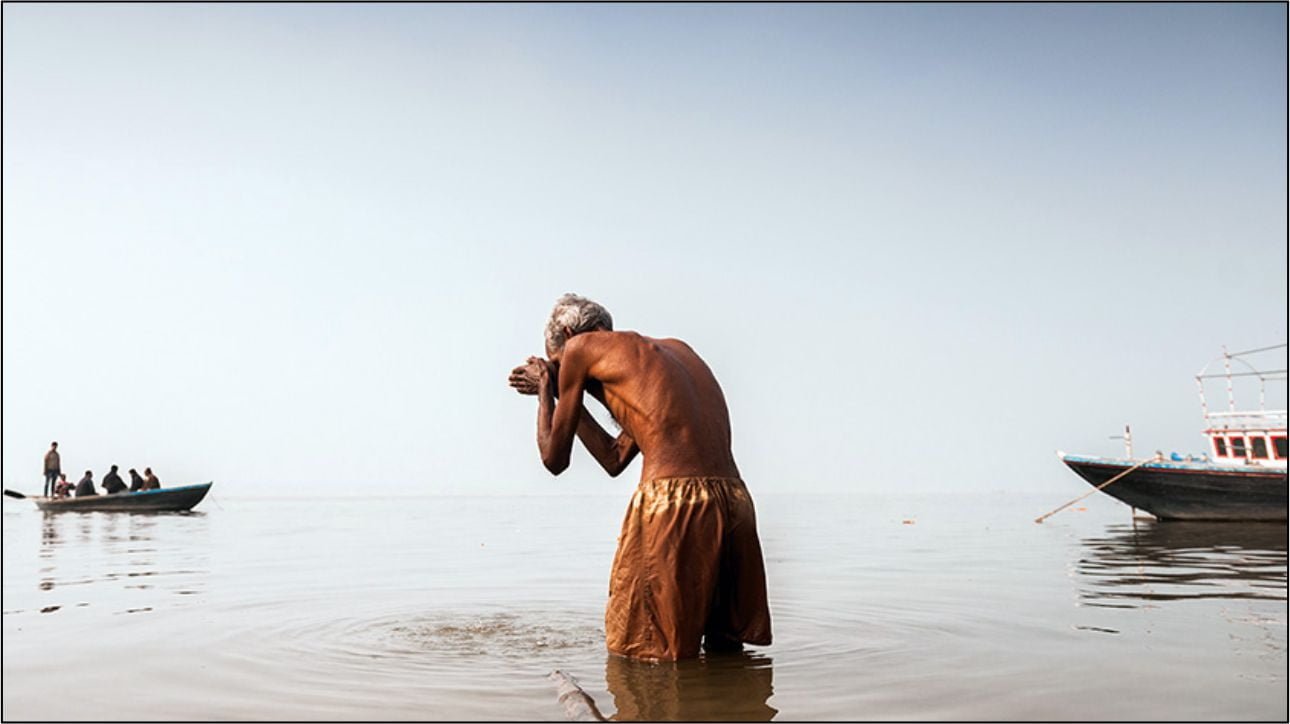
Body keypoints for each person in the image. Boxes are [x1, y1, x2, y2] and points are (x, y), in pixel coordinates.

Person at [509, 293, 771, 661]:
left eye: (558, 361)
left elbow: (554, 459)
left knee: (648, 656)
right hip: (735, 502)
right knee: (725, 654)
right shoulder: (675, 354)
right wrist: (565, 390)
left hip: (672, 503)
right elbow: (614, 458)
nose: (562, 370)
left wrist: (544, 392)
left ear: (569, 333)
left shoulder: (580, 347)